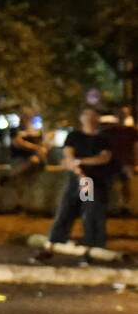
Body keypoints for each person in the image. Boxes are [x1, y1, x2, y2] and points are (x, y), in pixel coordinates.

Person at [38, 104, 113, 258]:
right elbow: (68, 156)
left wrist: (79, 163)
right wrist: (79, 170)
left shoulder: (102, 139)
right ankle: (52, 244)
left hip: (91, 182)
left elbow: (103, 158)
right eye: (86, 114)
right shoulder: (74, 136)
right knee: (66, 210)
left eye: (93, 115)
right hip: (79, 180)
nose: (89, 118)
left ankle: (90, 248)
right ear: (81, 118)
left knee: (90, 213)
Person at [0, 106, 48, 204]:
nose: (26, 117)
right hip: (19, 158)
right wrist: (35, 147)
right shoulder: (15, 130)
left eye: (28, 115)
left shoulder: (37, 131)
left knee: (34, 161)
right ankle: (20, 203)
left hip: (35, 159)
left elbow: (42, 147)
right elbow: (17, 143)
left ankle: (9, 175)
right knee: (29, 167)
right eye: (24, 115)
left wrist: (39, 149)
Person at [99, 108, 137, 211]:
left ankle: (125, 205)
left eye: (124, 114)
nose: (122, 116)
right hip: (112, 161)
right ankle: (113, 205)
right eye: (120, 114)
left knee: (125, 184)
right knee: (112, 184)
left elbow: (135, 147)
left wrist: (133, 162)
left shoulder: (131, 131)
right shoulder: (109, 130)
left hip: (126, 162)